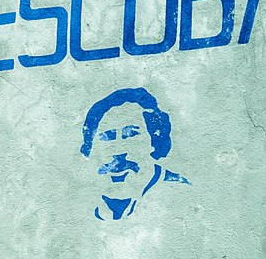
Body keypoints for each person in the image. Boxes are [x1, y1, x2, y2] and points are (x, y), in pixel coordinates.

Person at [79, 87, 190, 221]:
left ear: (153, 142)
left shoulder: (176, 191)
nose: (119, 151)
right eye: (108, 137)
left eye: (131, 135)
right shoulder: (81, 198)